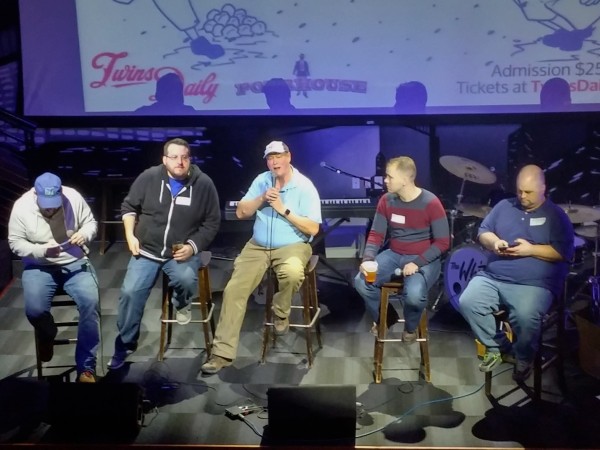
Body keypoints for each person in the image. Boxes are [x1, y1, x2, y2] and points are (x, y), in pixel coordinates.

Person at [201, 140, 322, 374]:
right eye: (270, 158)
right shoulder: (262, 180)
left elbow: (313, 228)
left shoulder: (304, 186)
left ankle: (281, 310)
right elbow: (240, 212)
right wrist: (262, 199)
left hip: (293, 245)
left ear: (289, 156)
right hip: (258, 246)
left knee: (293, 272)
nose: (274, 161)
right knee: (234, 290)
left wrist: (283, 209)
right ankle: (221, 354)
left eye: (278, 156)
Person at [108, 138, 220, 370]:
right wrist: (130, 235)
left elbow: (212, 222)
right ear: (164, 159)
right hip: (147, 250)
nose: (180, 162)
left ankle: (181, 303)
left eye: (184, 157)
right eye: (174, 157)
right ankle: (125, 345)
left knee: (186, 279)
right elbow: (129, 207)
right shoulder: (149, 177)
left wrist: (192, 246)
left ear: (189, 159)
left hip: (179, 251)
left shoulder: (204, 184)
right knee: (130, 293)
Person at [457, 165, 573, 382]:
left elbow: (563, 253)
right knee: (468, 301)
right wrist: (494, 242)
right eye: (519, 190)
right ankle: (498, 347)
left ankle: (524, 357)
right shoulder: (504, 206)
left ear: (543, 188)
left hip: (534, 283)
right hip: (494, 276)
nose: (522, 196)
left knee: (525, 316)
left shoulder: (556, 216)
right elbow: (483, 232)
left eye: (528, 192)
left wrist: (530, 249)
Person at [8, 172, 100, 382]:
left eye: (54, 203)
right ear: (35, 194)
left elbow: (90, 223)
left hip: (75, 262)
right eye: (46, 204)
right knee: (35, 310)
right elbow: (15, 243)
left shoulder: (73, 197)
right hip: (39, 266)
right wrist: (41, 251)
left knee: (90, 303)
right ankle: (47, 334)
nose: (51, 208)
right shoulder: (21, 207)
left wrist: (84, 234)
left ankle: (86, 368)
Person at [354, 156, 450, 340]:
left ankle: (411, 327)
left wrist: (417, 262)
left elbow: (443, 242)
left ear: (405, 180)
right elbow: (376, 234)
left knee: (414, 295)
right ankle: (386, 318)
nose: (385, 180)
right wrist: (367, 259)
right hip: (395, 254)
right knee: (361, 281)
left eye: (389, 177)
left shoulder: (431, 202)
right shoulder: (386, 200)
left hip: (424, 258)